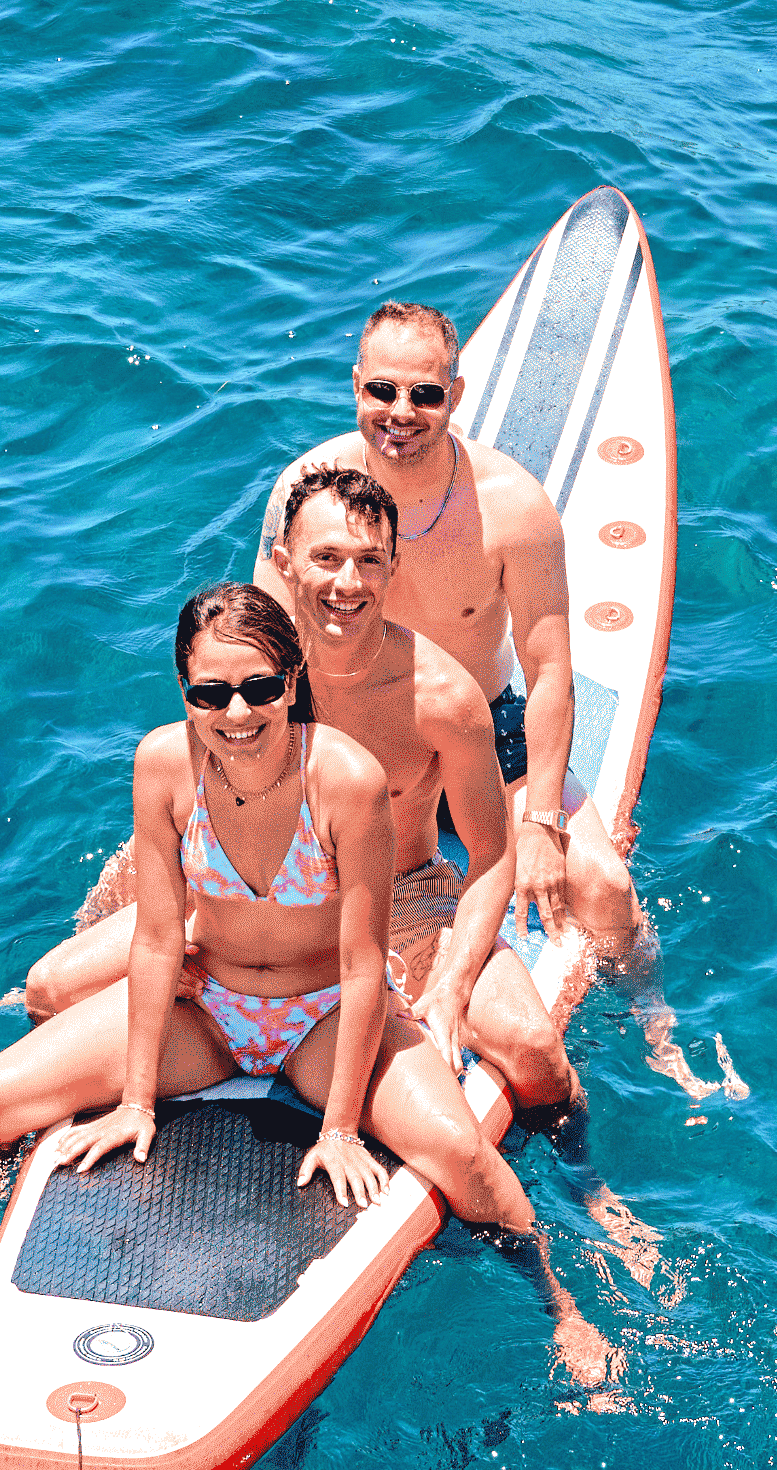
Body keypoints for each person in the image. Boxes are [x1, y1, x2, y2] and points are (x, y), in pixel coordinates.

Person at [0, 582, 617, 1388]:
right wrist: (137, 1100)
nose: (236, 712)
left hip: (323, 1016)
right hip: (212, 1014)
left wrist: (342, 1127)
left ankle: (562, 1307)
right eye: (211, 691)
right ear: (185, 691)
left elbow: (361, 967)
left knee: (471, 1164)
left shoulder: (346, 777)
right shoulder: (162, 766)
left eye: (259, 687)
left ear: (292, 681)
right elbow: (152, 937)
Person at [266, 299, 745, 1101]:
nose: (401, 413)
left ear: (456, 392)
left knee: (604, 886)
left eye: (424, 394)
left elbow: (551, 668)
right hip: (351, 738)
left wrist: (543, 823)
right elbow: (268, 650)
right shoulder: (306, 488)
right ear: (355, 385)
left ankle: (655, 1025)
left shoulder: (512, 507)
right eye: (382, 390)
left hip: (484, 732)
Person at [19, 467, 581, 1114]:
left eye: (369, 560)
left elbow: (491, 857)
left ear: (393, 566)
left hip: (401, 904)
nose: (347, 583)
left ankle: (583, 1185)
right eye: (327, 558)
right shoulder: (251, 676)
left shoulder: (442, 699)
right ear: (285, 564)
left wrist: (453, 985)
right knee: (48, 988)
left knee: (537, 1051)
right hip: (246, 908)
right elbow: (189, 795)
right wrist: (166, 938)